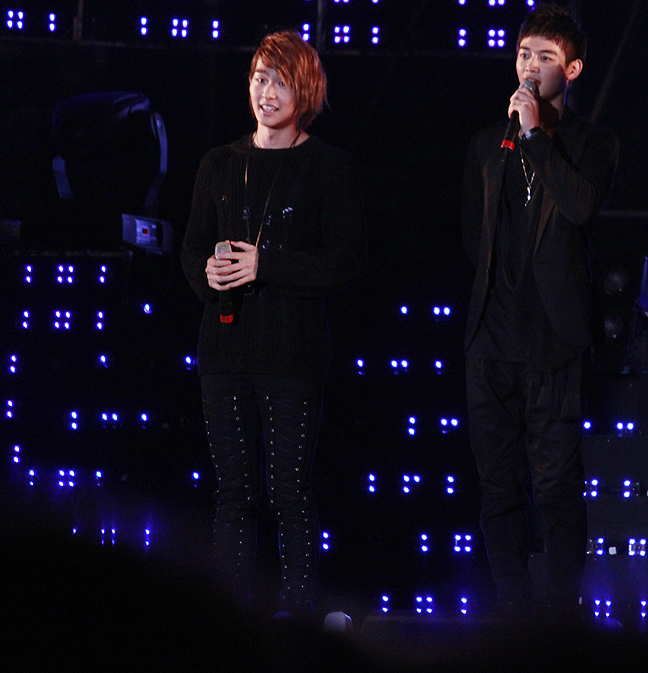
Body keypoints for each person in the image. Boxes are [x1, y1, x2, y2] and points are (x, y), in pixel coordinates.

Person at [180, 30, 366, 617]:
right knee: (232, 492)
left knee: (289, 491)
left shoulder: (328, 167)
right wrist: (206, 273)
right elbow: (190, 249)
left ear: (304, 91)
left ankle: (299, 613)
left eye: (281, 82)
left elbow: (346, 261)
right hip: (224, 349)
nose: (267, 92)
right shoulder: (219, 163)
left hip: (292, 352)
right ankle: (230, 616)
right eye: (260, 78)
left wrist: (267, 264)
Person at [462, 3, 618, 615]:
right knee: (498, 486)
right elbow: (472, 237)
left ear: (571, 69)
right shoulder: (486, 144)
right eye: (524, 54)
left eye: (545, 57)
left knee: (554, 485)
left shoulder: (593, 143)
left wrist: (534, 136)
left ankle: (558, 617)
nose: (530, 67)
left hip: (554, 338)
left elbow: (579, 207)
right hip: (490, 339)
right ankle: (510, 611)